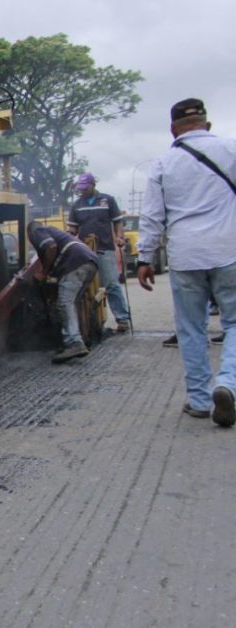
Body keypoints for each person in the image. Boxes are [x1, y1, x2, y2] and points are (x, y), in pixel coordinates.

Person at [137, 97, 235, 427]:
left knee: (191, 329)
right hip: (229, 252)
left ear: (172, 130)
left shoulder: (163, 164)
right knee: (234, 323)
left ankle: (198, 399)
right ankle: (228, 384)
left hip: (185, 257)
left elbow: (151, 217)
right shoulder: (231, 149)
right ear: (207, 125)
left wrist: (144, 259)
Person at [66, 172, 131, 333]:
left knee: (111, 284)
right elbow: (72, 229)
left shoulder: (107, 200)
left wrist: (120, 238)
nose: (82, 191)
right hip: (84, 252)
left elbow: (117, 222)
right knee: (84, 286)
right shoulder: (76, 205)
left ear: (93, 185)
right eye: (80, 189)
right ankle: (87, 320)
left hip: (104, 249)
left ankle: (122, 319)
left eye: (85, 188)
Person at [27, 222, 99, 363]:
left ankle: (74, 343)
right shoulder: (56, 232)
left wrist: (43, 272)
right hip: (90, 262)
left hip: (76, 262)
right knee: (70, 303)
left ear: (29, 233)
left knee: (64, 303)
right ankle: (76, 339)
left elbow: (51, 247)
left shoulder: (37, 231)